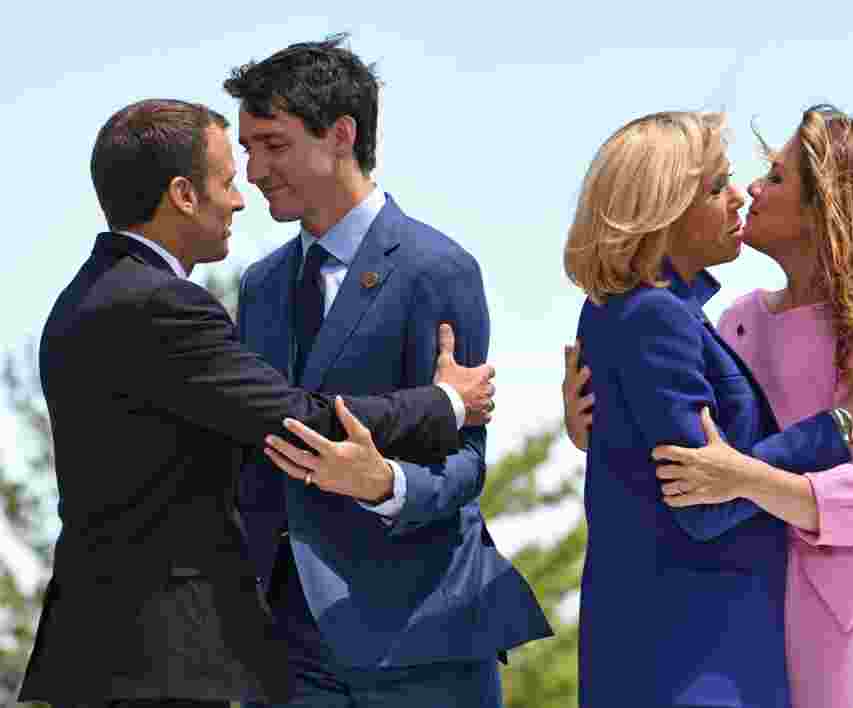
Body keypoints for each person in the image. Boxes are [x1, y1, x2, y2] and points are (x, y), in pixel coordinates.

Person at [18, 98, 495, 708]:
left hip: (108, 651)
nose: (241, 198)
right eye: (227, 180)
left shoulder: (85, 297)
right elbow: (297, 419)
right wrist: (447, 401)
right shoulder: (162, 306)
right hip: (162, 658)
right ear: (184, 195)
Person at [222, 36, 551, 708]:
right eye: (247, 147)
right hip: (282, 647)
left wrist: (384, 483)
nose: (252, 170)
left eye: (273, 145)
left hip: (418, 644)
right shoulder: (259, 286)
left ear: (340, 134)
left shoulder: (438, 270)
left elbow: (467, 466)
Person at [558, 111, 853, 708]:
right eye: (716, 185)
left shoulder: (666, 315)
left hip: (801, 637)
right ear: (663, 208)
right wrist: (841, 426)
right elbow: (700, 490)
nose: (744, 192)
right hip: (698, 658)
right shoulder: (689, 319)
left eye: (770, 178)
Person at [644, 106, 853, 707]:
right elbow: (685, 454)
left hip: (850, 633)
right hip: (740, 620)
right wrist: (593, 428)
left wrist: (741, 477)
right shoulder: (736, 321)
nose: (751, 189)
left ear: (825, 211)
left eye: (777, 178)